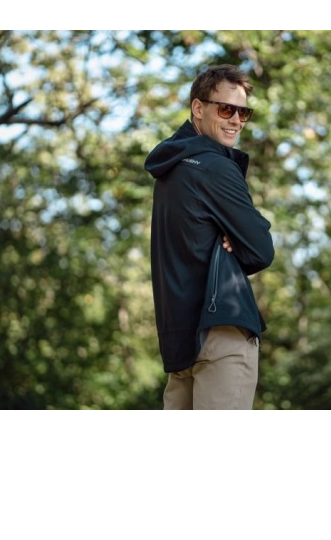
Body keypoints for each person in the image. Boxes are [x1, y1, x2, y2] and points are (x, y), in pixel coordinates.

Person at [144, 64, 275, 410]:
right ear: (198, 108)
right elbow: (261, 250)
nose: (237, 121)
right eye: (226, 109)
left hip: (180, 340)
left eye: (244, 113)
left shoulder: (169, 168)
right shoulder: (215, 167)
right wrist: (238, 237)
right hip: (222, 337)